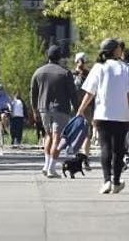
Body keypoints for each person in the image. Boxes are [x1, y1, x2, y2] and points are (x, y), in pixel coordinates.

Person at [76, 38, 129, 195]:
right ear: (114, 50)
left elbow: (90, 92)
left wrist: (81, 109)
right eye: (118, 47)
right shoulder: (126, 68)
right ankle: (116, 181)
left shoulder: (98, 67)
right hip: (121, 115)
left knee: (105, 148)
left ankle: (106, 181)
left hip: (102, 114)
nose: (121, 49)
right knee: (118, 149)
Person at [30, 45, 79, 178]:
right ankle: (51, 168)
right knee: (57, 138)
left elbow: (33, 93)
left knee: (48, 136)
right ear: (60, 57)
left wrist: (34, 109)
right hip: (60, 109)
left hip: (43, 109)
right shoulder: (65, 73)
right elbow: (73, 94)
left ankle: (46, 165)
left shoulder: (38, 72)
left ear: (48, 56)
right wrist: (78, 109)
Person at [73, 51, 93, 169]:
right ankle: (84, 158)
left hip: (76, 108)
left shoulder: (71, 75)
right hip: (86, 108)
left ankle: (79, 157)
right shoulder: (89, 75)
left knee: (78, 134)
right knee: (86, 134)